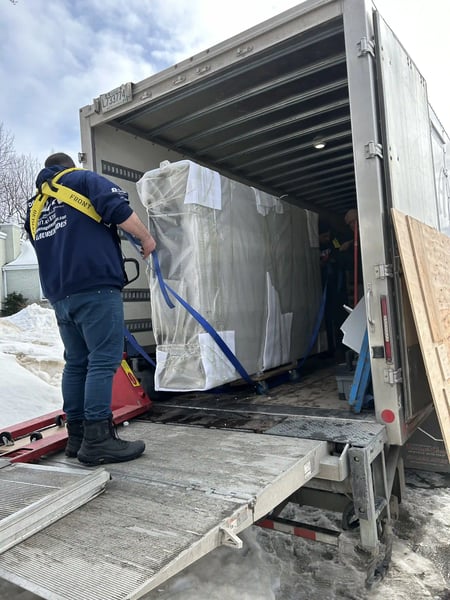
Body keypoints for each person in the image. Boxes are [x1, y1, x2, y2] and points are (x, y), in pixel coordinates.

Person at [24, 152, 156, 466]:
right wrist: (146, 238)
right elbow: (117, 209)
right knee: (103, 359)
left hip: (61, 295)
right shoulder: (83, 179)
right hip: (95, 286)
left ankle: (79, 437)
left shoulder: (35, 207)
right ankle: (99, 439)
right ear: (68, 167)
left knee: (77, 363)